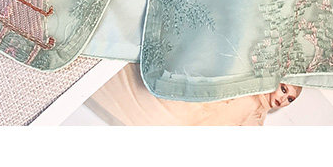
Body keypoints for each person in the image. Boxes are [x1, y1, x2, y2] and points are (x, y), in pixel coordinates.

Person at [86, 63, 303, 126]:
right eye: (284, 89)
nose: (283, 99)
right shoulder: (252, 94)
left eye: (290, 99)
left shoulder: (258, 112)